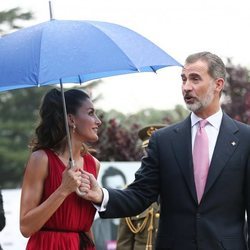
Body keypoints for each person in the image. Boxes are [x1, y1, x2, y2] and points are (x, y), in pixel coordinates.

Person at [80, 51, 250, 250]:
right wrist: (101, 195)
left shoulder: (245, 139)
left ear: (218, 84)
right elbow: (140, 194)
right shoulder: (163, 141)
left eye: (195, 79)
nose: (186, 87)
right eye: (184, 79)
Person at [20, 88, 102, 250]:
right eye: (91, 113)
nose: (98, 121)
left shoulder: (94, 164)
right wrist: (63, 189)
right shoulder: (41, 159)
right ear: (71, 119)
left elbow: (84, 225)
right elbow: (26, 227)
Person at [116, 125, 164, 250]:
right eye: (149, 151)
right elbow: (124, 243)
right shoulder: (132, 193)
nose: (154, 156)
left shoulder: (184, 190)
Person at [92, 166, 127, 250]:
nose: (115, 194)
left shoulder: (138, 223)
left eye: (119, 188)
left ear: (127, 188)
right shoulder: (96, 226)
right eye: (110, 190)